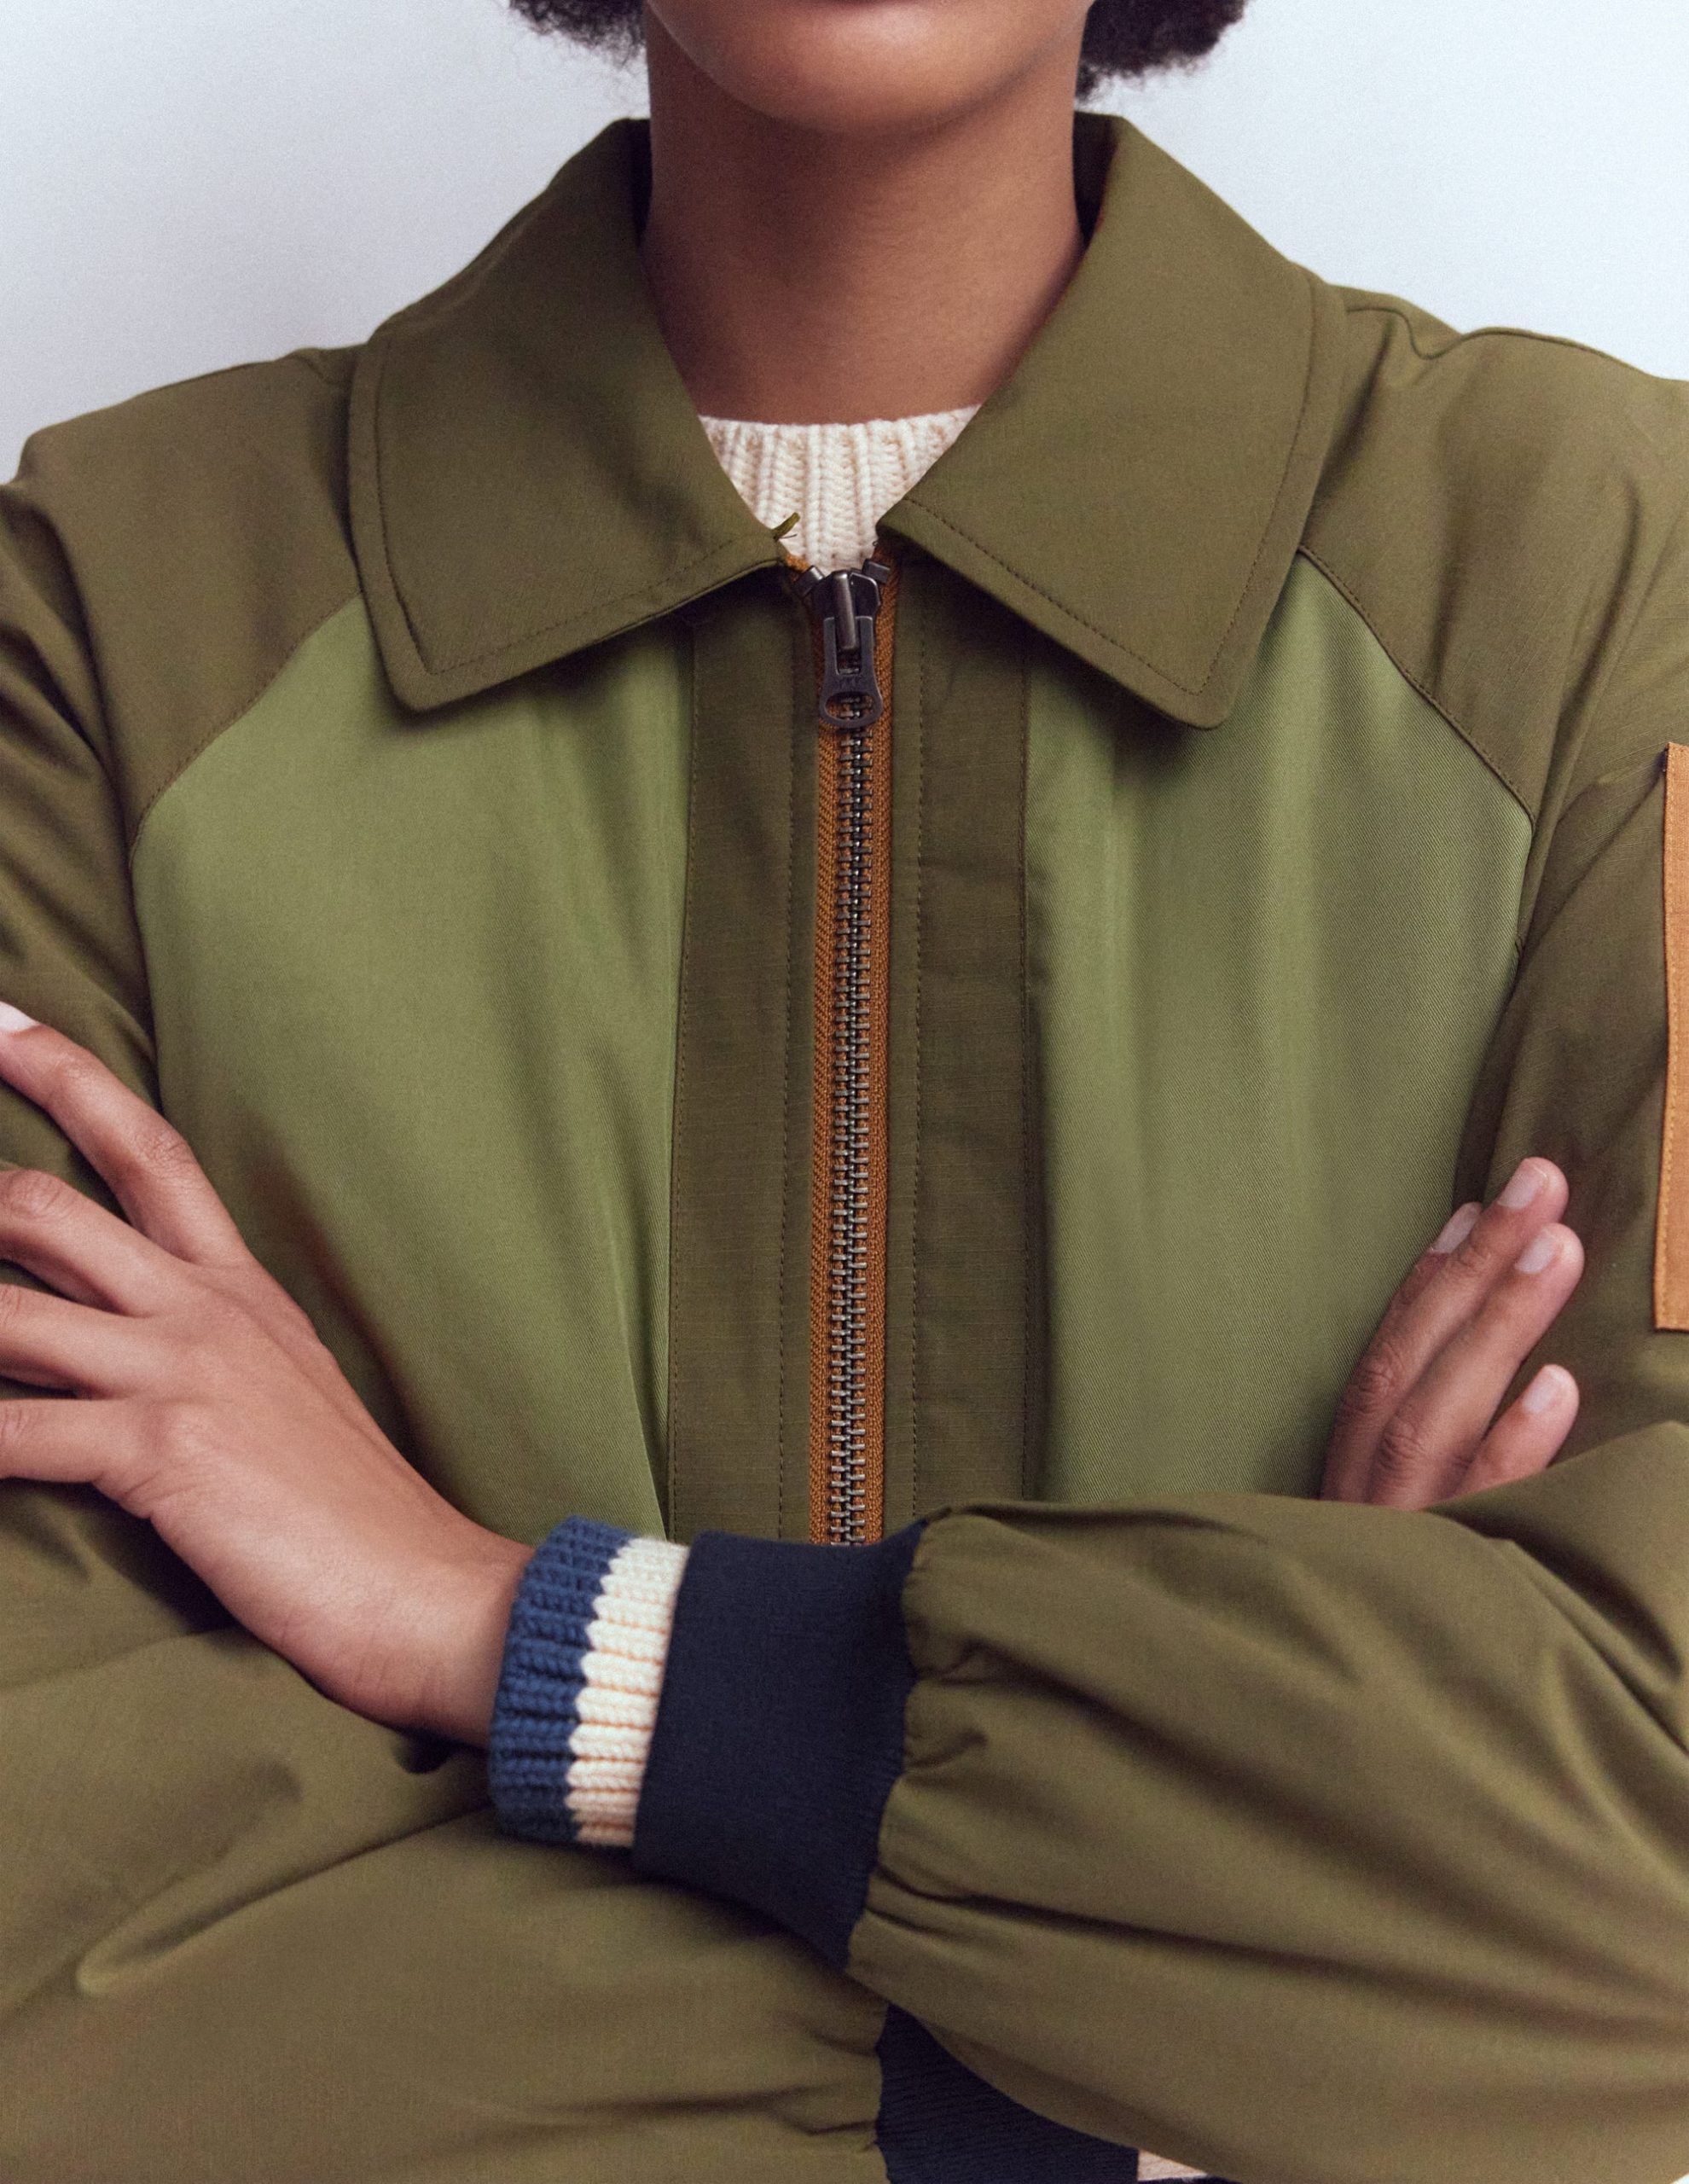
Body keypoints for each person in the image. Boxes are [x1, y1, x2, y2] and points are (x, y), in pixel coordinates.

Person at [0, 2, 1686, 2179]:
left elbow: (1653, 1889)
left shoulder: (1604, 581)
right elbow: (48, 1960)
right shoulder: (120, 616)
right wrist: (1252, 1954)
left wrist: (518, 1630)